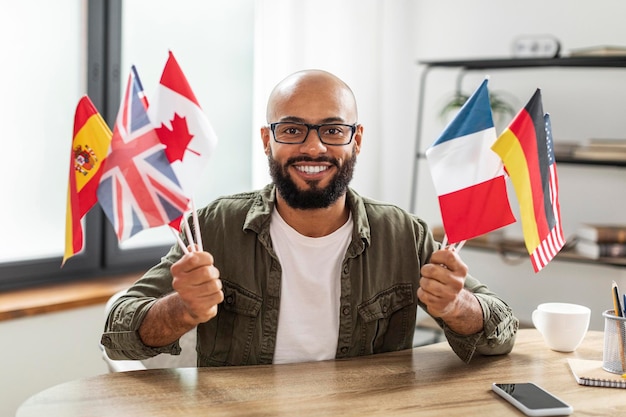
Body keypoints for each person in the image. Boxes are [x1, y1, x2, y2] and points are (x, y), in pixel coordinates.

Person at [101, 69, 518, 366]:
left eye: (333, 130)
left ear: (357, 140)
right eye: (292, 129)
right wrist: (183, 310)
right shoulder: (213, 227)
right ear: (267, 140)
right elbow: (117, 338)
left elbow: (502, 334)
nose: (314, 148)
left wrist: (458, 306)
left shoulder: (404, 234)